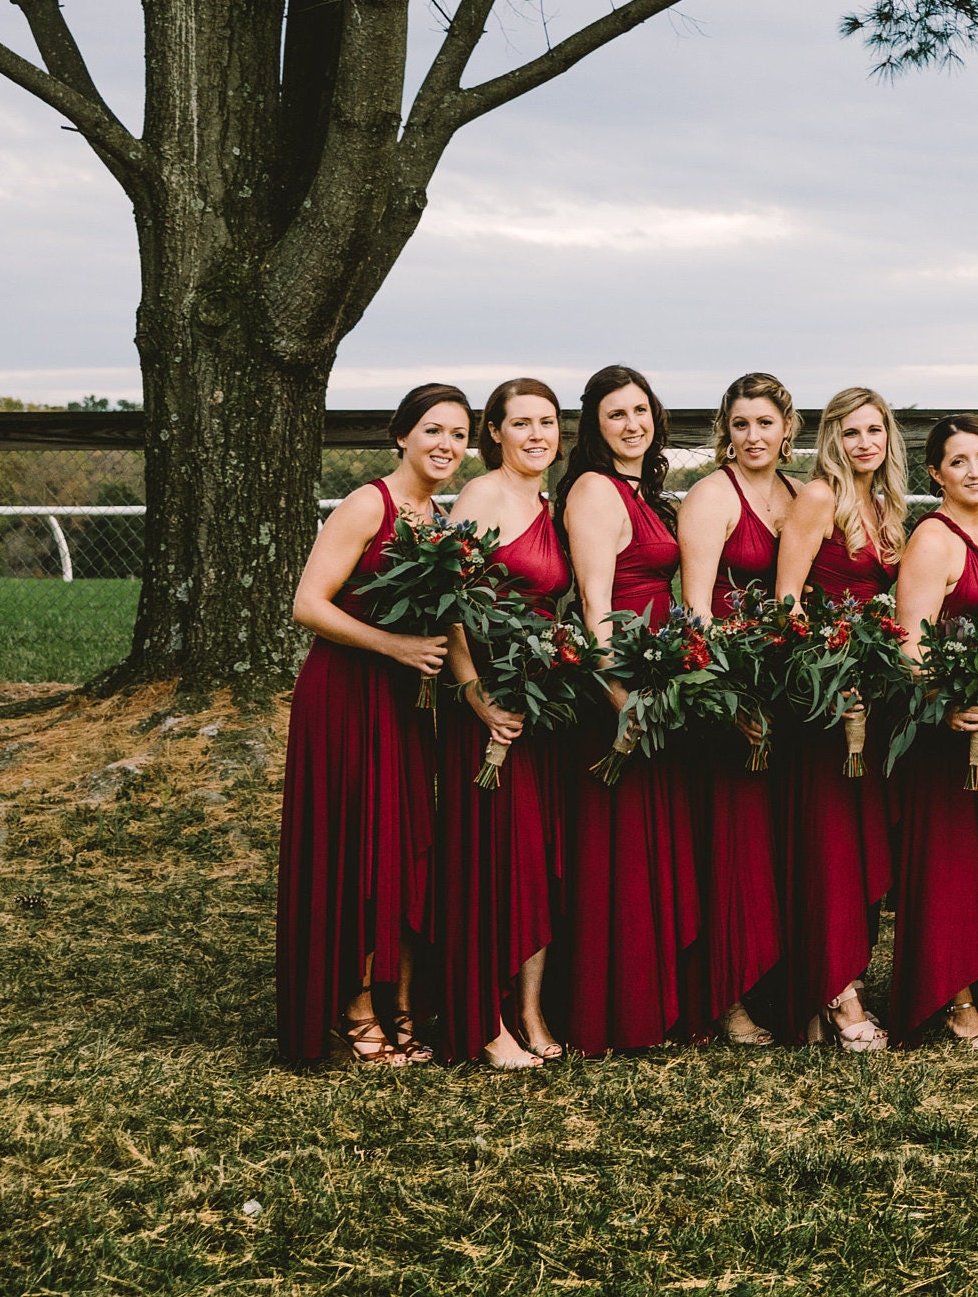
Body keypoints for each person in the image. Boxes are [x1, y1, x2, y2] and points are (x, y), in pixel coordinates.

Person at [276, 382, 466, 1065]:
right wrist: (394, 648)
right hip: (347, 694)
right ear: (402, 436)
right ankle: (356, 1009)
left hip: (407, 703)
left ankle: (401, 1003)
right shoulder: (369, 505)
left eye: (458, 435)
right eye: (433, 431)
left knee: (408, 844)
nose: (446, 445)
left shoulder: (442, 519)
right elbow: (307, 603)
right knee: (359, 845)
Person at [551, 365, 699, 1054]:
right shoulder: (594, 490)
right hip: (616, 692)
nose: (633, 424)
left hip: (656, 683)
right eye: (617, 415)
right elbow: (593, 606)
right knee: (616, 848)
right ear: (595, 427)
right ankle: (611, 1008)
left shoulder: (645, 492)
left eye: (641, 410)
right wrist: (621, 699)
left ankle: (654, 1000)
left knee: (648, 843)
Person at [431, 377, 568, 1069]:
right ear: (496, 432)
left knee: (536, 861)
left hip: (540, 701)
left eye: (547, 422)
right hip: (489, 706)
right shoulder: (483, 496)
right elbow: (449, 601)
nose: (537, 435)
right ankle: (484, 1019)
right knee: (489, 858)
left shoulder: (546, 502)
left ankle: (532, 1010)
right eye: (522, 424)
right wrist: (476, 695)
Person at [770, 384, 910, 1050]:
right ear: (832, 439)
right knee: (828, 847)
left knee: (859, 846)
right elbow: (787, 602)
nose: (865, 444)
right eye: (852, 433)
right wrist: (827, 679)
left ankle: (840, 975)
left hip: (871, 702)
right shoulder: (820, 497)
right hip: (826, 703)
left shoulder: (884, 507)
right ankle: (839, 997)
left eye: (874, 432)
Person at [670, 372, 794, 1049]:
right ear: (727, 430)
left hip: (789, 691)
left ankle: (777, 981)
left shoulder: (799, 494)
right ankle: (726, 997)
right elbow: (693, 612)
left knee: (778, 844)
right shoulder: (712, 497)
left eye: (765, 423)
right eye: (741, 424)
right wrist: (732, 697)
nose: (753, 437)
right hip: (728, 692)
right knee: (734, 845)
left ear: (786, 428)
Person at [886, 412, 978, 1050]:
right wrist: (947, 704)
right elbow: (910, 646)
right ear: (934, 473)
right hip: (946, 731)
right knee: (949, 863)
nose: (974, 471)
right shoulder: (934, 539)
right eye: (958, 461)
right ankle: (953, 1002)